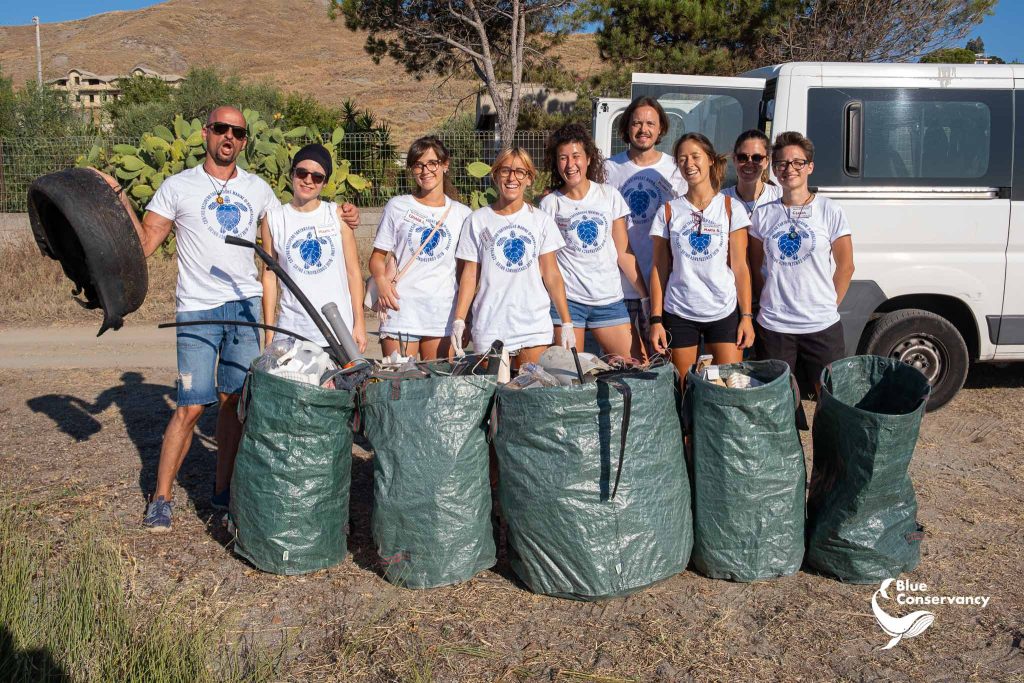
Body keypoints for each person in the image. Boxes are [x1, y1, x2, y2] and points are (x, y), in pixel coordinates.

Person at [121, 105, 359, 532]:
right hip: (197, 309)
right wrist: (114, 202)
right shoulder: (178, 187)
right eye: (219, 128)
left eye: (237, 131)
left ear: (245, 141)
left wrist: (344, 214)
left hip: (247, 307)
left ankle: (222, 490)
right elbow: (143, 243)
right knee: (191, 406)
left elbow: (296, 223)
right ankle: (161, 497)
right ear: (205, 133)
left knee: (234, 402)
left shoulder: (260, 190)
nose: (228, 136)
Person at [749, 131, 855, 394]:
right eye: (782, 163)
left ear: (810, 166)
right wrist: (771, 299)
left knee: (830, 398)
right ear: (774, 170)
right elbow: (753, 267)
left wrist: (828, 304)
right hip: (774, 326)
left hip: (821, 326)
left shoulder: (829, 210)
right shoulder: (763, 213)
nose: (789, 169)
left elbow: (846, 266)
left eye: (797, 162)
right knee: (778, 400)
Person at [452, 147, 574, 367]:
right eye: (505, 170)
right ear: (495, 174)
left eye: (520, 172)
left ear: (529, 178)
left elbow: (552, 275)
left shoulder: (541, 221)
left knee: (529, 394)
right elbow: (470, 275)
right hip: (490, 327)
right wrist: (460, 319)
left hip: (533, 328)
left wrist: (566, 322)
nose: (512, 178)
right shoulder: (477, 220)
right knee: (494, 396)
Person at [649, 133, 756, 380]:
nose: (689, 164)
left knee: (729, 386)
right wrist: (656, 320)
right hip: (679, 312)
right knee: (686, 387)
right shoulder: (668, 211)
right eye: (683, 159)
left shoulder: (731, 208)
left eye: (695, 156)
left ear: (709, 160)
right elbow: (658, 268)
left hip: (724, 311)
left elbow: (741, 267)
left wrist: (747, 317)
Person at [538, 123, 646, 357]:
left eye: (576, 156)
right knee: (569, 377)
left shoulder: (609, 196)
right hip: (568, 304)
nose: (570, 164)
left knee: (637, 366)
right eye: (563, 158)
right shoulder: (550, 204)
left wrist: (647, 297)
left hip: (608, 300)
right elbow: (546, 264)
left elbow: (624, 252)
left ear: (588, 158)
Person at [368, 136, 472, 360]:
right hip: (400, 309)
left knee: (438, 387)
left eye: (432, 163)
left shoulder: (463, 215)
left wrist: (465, 317)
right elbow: (377, 257)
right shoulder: (398, 206)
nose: (425, 171)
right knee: (399, 386)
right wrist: (382, 282)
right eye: (418, 165)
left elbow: (466, 273)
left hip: (442, 314)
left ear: (445, 165)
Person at [261, 143, 367, 355]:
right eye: (302, 173)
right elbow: (269, 277)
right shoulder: (273, 219)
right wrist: (269, 331)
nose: (308, 180)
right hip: (292, 331)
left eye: (317, 177)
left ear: (325, 182)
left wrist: (359, 323)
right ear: (292, 174)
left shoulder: (337, 216)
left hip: (337, 331)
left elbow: (353, 273)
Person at [603, 96, 687, 358]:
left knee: (664, 359)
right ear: (627, 127)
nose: (643, 129)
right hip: (621, 286)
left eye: (650, 123)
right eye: (637, 123)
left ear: (661, 128)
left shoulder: (675, 168)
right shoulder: (608, 169)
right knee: (628, 363)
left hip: (665, 284)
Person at [722, 129, 782, 215]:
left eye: (757, 158)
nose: (749, 163)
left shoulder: (780, 197)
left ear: (767, 161)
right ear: (734, 159)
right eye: (742, 157)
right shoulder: (720, 200)